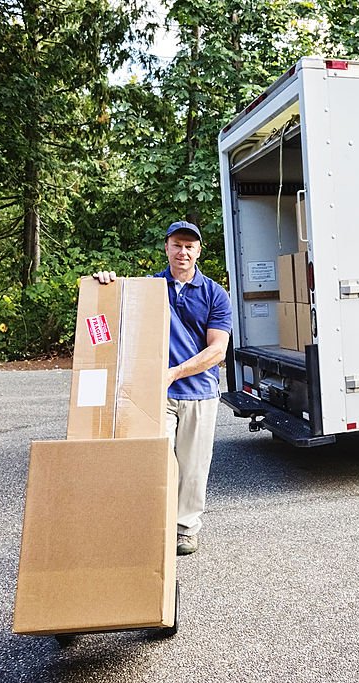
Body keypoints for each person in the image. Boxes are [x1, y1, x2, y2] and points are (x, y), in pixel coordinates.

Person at [93, 220, 231, 556]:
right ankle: (154, 524)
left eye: (189, 246)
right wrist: (105, 286)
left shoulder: (214, 293)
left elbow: (218, 350)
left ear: (199, 251)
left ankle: (185, 528)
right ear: (166, 247)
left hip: (199, 392)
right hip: (157, 394)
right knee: (156, 461)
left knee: (194, 465)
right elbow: (111, 316)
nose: (182, 252)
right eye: (176, 245)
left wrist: (175, 373)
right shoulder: (148, 288)